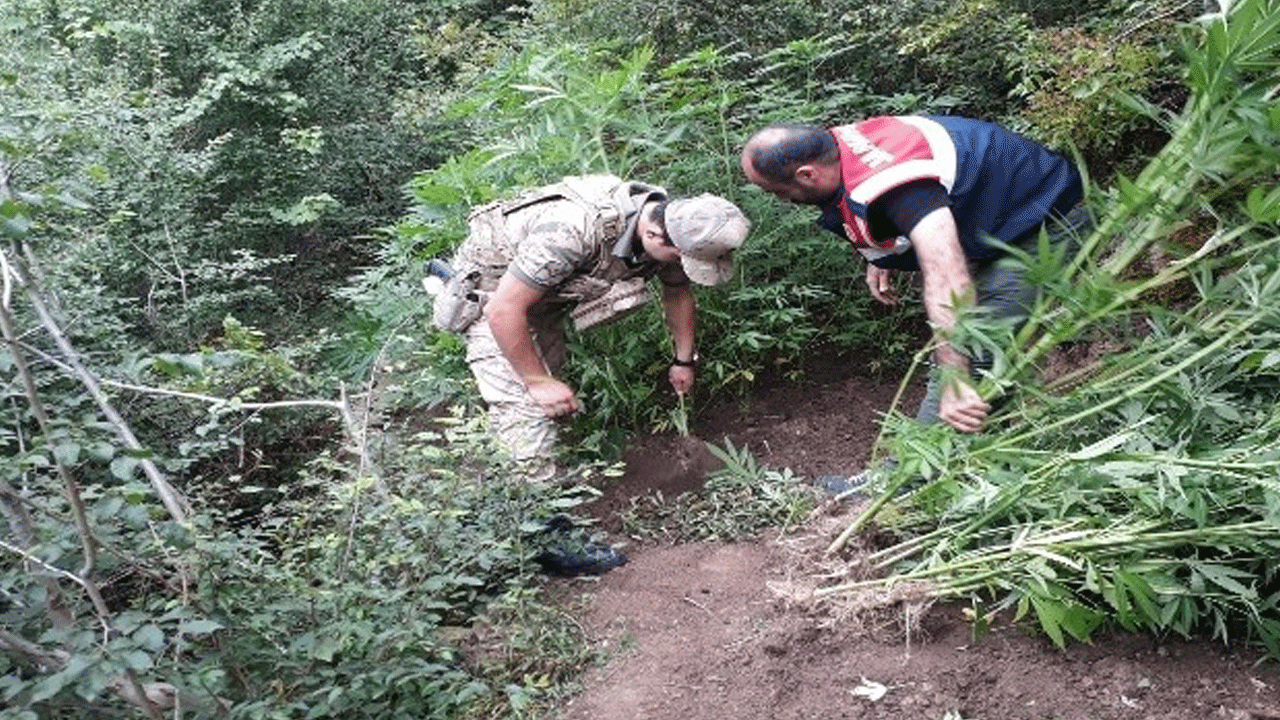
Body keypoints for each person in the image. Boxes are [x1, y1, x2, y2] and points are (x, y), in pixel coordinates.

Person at [429, 174, 750, 573]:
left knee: (544, 411)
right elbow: (503, 310)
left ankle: (505, 497)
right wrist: (536, 381)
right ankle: (546, 537)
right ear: (653, 235)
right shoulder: (570, 231)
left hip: (542, 300)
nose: (679, 267)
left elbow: (677, 291)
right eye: (680, 259)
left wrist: (684, 359)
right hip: (495, 301)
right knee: (526, 410)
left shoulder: (678, 224)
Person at [740, 115, 1090, 439]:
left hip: (1040, 225)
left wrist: (956, 378)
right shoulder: (840, 147)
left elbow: (948, 277)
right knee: (962, 354)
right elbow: (895, 206)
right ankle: (963, 459)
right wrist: (884, 250)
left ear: (807, 175)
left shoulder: (894, 187)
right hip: (997, 218)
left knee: (973, 353)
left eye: (776, 191)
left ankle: (908, 476)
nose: (780, 200)